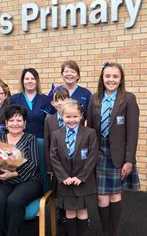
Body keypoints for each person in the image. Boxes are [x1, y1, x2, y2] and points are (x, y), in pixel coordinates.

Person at [87, 62, 140, 236]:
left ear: (121, 79)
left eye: (115, 76)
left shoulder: (128, 99)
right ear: (102, 78)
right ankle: (106, 232)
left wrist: (129, 160)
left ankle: (114, 233)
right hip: (99, 153)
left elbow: (132, 132)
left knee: (115, 195)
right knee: (102, 197)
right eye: (107, 76)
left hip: (119, 155)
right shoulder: (94, 99)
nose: (111, 79)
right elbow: (89, 130)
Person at [0, 105, 42, 236]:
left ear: (25, 123)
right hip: (1, 181)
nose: (15, 124)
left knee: (14, 201)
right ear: (6, 123)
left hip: (27, 180)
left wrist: (13, 174)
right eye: (11, 120)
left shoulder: (31, 138)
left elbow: (33, 164)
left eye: (19, 120)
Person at [50, 99, 98, 236]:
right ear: (62, 116)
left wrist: (81, 177)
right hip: (65, 181)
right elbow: (53, 157)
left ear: (81, 116)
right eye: (68, 117)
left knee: (82, 211)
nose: (72, 120)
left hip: (83, 180)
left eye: (75, 116)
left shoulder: (90, 133)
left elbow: (92, 157)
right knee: (70, 212)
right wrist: (63, 177)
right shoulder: (56, 134)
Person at [10, 68, 53, 138]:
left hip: (40, 141)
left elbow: (50, 124)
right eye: (27, 79)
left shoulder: (46, 100)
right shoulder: (14, 99)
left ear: (37, 81)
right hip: (19, 142)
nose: (30, 81)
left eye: (33, 79)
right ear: (22, 81)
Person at [43, 86, 70, 175]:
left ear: (69, 100)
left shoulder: (76, 119)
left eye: (63, 100)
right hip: (56, 162)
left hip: (72, 160)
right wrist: (49, 167)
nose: (60, 103)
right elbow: (47, 144)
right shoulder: (49, 120)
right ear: (52, 103)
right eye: (56, 100)